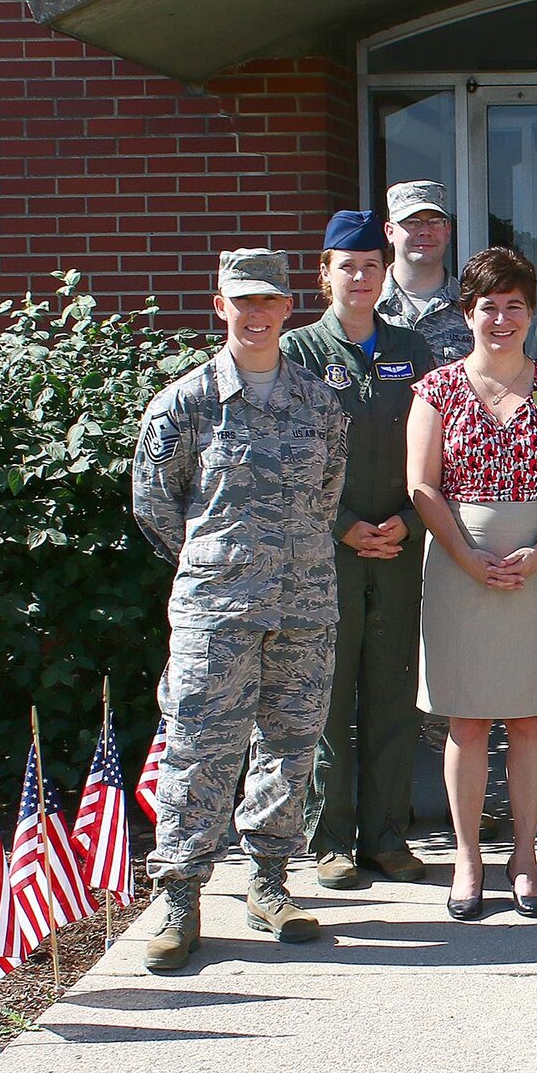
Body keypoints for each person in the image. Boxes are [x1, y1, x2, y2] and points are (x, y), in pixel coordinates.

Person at [132, 248, 349, 971]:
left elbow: (326, 495)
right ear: (219, 306)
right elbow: (156, 505)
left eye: (270, 302)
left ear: (291, 308)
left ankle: (268, 880)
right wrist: (218, 565)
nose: (256, 314)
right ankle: (180, 896)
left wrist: (286, 563)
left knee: (290, 747)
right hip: (216, 611)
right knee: (199, 747)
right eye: (242, 301)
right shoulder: (185, 402)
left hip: (304, 603)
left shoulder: (320, 402)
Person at [408, 246, 537, 920]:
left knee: (530, 717)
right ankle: (469, 857)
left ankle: (527, 855)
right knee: (469, 719)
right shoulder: (438, 388)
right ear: (467, 313)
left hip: (534, 565)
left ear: (531, 313)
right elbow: (421, 483)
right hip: (459, 565)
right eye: (489, 306)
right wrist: (465, 552)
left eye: (514, 306)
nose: (501, 319)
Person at [280, 209, 435, 890]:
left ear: (385, 270)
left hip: (399, 546)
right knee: (329, 696)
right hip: (328, 551)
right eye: (348, 266)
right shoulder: (300, 353)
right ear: (325, 274)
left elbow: (437, 446)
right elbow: (288, 457)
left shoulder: (414, 347)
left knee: (393, 691)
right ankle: (331, 838)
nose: (361, 276)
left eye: (372, 264)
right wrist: (341, 522)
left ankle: (385, 835)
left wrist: (409, 518)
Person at [376, 180, 474, 364]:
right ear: (389, 232)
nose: (425, 231)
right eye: (412, 222)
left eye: (435, 222)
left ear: (448, 231)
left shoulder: (473, 306)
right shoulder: (368, 306)